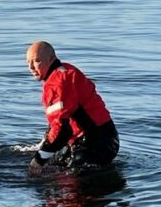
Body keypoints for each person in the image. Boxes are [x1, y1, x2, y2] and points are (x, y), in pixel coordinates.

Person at [26, 41, 119, 175]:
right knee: (56, 165)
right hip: (102, 137)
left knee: (65, 182)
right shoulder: (64, 71)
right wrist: (45, 144)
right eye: (28, 62)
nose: (31, 67)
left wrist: (38, 160)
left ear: (51, 59)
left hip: (96, 142)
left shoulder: (57, 84)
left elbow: (63, 131)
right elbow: (60, 121)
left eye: (36, 61)